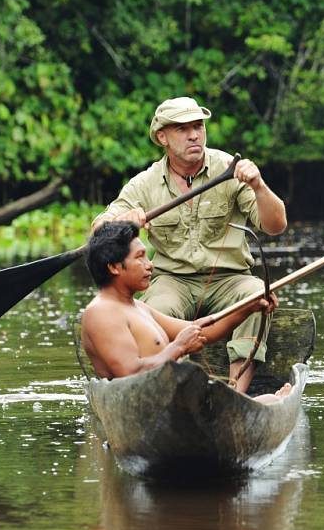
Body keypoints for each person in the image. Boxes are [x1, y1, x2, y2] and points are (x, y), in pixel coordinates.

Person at [92, 96, 287, 393]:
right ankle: (161, 392)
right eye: (183, 129)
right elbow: (98, 230)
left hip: (231, 279)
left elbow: (276, 226)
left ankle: (235, 393)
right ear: (162, 137)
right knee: (152, 308)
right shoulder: (144, 184)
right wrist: (124, 220)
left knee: (256, 295)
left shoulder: (229, 168)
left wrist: (259, 185)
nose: (194, 135)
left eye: (198, 126)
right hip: (172, 281)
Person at [81, 221, 291, 403]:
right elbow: (130, 373)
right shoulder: (101, 312)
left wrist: (248, 308)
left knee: (271, 400)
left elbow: (201, 332)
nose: (150, 265)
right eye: (140, 257)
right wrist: (179, 347)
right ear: (114, 267)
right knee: (271, 402)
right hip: (147, 411)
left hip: (174, 405)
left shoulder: (138, 308)